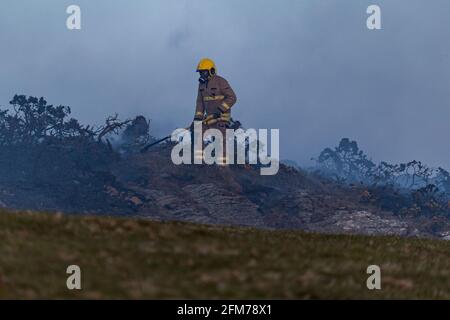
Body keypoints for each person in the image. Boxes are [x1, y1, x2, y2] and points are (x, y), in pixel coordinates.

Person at [193, 58, 237, 164]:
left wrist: (220, 109)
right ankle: (201, 162)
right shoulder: (201, 85)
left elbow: (232, 98)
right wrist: (198, 118)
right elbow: (200, 102)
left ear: (211, 71)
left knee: (221, 143)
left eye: (203, 72)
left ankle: (223, 168)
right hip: (209, 119)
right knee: (197, 133)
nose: (201, 75)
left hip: (221, 119)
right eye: (200, 73)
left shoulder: (221, 82)